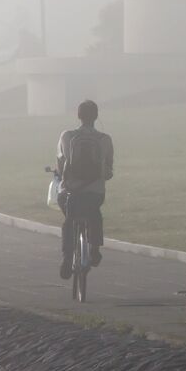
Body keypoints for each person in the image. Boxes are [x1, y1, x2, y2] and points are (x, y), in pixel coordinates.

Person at [55, 99, 114, 279]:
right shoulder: (104, 139)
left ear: (78, 116)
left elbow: (60, 164)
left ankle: (67, 259)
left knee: (69, 220)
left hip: (71, 191)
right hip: (94, 192)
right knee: (94, 212)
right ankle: (95, 249)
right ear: (96, 117)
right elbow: (108, 172)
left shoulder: (67, 136)